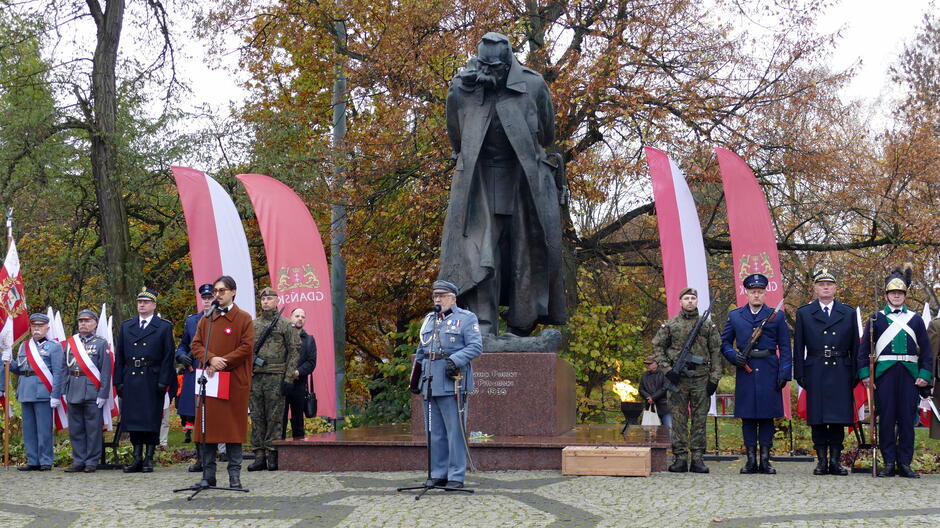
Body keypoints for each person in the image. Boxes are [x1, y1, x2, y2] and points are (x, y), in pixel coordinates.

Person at [439, 32, 566, 336]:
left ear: (509, 61)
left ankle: (522, 324)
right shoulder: (461, 88)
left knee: (526, 250)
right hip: (479, 184)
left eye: (497, 67)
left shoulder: (534, 84)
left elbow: (547, 133)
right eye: (486, 65)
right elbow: (456, 137)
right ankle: (482, 326)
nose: (490, 72)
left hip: (525, 183)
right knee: (480, 254)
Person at [858, 264, 933, 478]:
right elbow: (864, 351)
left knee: (908, 420)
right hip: (885, 376)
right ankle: (889, 462)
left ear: (905, 295)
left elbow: (926, 351)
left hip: (910, 375)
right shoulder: (875, 319)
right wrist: (865, 375)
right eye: (893, 293)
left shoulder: (916, 320)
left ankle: (905, 463)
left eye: (900, 293)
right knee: (887, 420)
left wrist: (925, 375)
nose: (897, 296)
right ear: (887, 295)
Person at [413, 280, 482, 489]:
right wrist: (415, 379)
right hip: (430, 381)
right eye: (435, 296)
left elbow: (476, 346)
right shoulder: (429, 320)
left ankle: (455, 475)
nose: (437, 299)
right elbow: (421, 351)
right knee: (434, 432)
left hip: (452, 381)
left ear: (453, 298)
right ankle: (438, 473)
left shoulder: (466, 319)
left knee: (454, 431)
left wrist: (454, 360)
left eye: (442, 296)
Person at [721, 273, 792, 475]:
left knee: (767, 417)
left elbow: (785, 347)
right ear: (747, 293)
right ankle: (751, 460)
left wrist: (784, 372)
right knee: (748, 417)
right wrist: (733, 356)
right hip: (746, 369)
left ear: (765, 294)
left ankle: (765, 460)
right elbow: (724, 342)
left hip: (769, 369)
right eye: (753, 292)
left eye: (760, 292)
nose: (757, 295)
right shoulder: (735, 316)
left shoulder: (776, 316)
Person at [190, 275, 255, 489]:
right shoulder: (207, 318)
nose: (217, 295)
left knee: (232, 431)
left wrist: (222, 362)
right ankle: (209, 475)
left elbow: (246, 348)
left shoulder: (243, 318)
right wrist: (210, 358)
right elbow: (196, 345)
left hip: (234, 382)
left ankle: (234, 476)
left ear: (233, 292)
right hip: (211, 381)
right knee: (208, 429)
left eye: (222, 291)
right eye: (216, 291)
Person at [793, 269, 859, 476]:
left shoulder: (848, 313)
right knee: (818, 418)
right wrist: (799, 371)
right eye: (821, 285)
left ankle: (835, 461)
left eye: (829, 284)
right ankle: (821, 462)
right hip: (816, 368)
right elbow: (799, 347)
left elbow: (856, 346)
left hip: (841, 368)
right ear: (815, 288)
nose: (826, 288)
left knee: (838, 418)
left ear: (836, 288)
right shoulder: (804, 313)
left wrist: (856, 371)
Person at [652, 287, 722, 473]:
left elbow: (716, 352)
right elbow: (658, 348)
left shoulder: (707, 325)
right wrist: (667, 371)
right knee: (678, 419)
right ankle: (680, 458)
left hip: (701, 378)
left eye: (693, 298)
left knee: (699, 419)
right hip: (678, 380)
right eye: (686, 298)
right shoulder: (671, 324)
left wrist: (714, 378)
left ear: (697, 301)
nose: (690, 301)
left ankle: (697, 458)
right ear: (680, 302)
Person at [114, 287, 176, 473]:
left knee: (150, 420)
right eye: (139, 302)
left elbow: (168, 356)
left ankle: (148, 457)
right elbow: (120, 356)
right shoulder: (127, 326)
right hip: (132, 377)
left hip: (152, 377)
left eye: (146, 302)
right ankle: (136, 458)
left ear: (154, 305)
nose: (142, 305)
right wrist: (118, 381)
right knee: (133, 420)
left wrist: (163, 381)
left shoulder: (164, 326)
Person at [247, 287, 299, 472]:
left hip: (276, 376)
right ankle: (258, 455)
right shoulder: (253, 325)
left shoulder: (285, 324)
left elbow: (293, 351)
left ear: (277, 301)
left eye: (270, 299)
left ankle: (272, 454)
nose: (266, 302)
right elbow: (247, 350)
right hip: (256, 377)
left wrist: (288, 378)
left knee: (275, 418)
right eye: (263, 299)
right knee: (257, 416)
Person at [5, 313, 65, 471]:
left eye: (40, 326)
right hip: (25, 390)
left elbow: (59, 372)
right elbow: (19, 369)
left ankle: (45, 460)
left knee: (44, 429)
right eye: (34, 326)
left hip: (43, 391)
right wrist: (8, 361)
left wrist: (56, 395)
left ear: (47, 328)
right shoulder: (25, 346)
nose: (37, 329)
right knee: (29, 429)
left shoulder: (54, 346)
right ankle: (32, 460)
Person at [61, 309, 112, 473]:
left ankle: (91, 461)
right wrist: (63, 390)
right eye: (81, 321)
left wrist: (103, 393)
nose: (83, 323)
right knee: (76, 429)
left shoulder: (101, 343)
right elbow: (64, 367)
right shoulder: (71, 343)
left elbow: (105, 370)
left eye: (87, 321)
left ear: (95, 323)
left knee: (92, 429)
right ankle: (78, 460)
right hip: (73, 389)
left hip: (92, 390)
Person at [176, 283, 216, 472]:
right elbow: (183, 344)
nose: (207, 301)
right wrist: (181, 355)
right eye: (204, 298)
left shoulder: (221, 319)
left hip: (213, 372)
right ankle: (201, 458)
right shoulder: (192, 321)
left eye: (210, 298)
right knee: (196, 415)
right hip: (194, 373)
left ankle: (212, 458)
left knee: (212, 417)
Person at [282, 307, 317, 440]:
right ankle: (278, 455)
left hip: (299, 384)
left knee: (298, 421)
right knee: (281, 420)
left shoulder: (309, 339)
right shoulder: (283, 336)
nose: (300, 318)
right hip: (283, 384)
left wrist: (298, 372)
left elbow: (311, 362)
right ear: (291, 318)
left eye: (302, 316)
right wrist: (287, 373)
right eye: (297, 316)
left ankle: (298, 456)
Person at [638, 356, 671, 427]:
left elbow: (664, 388)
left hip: (664, 407)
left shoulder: (664, 373)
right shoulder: (644, 375)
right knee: (649, 432)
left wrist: (653, 397)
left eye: (649, 364)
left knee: (668, 430)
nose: (647, 365)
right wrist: (648, 397)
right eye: (646, 364)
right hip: (649, 407)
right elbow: (641, 389)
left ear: (656, 364)